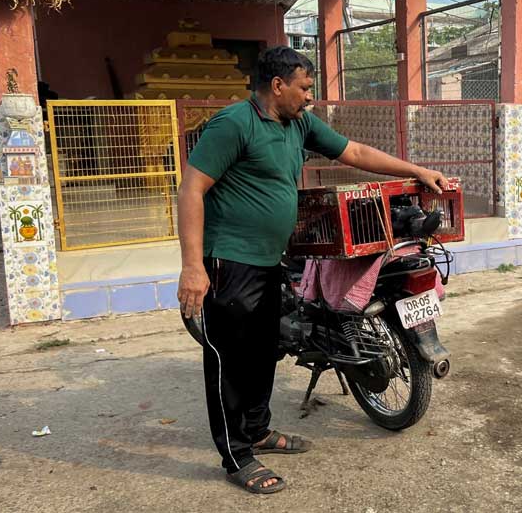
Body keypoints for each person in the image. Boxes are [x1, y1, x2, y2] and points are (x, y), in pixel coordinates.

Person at [177, 46, 448, 494]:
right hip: (230, 258)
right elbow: (191, 191)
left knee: (265, 349)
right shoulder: (234, 124)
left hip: (270, 259)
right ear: (277, 85)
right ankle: (237, 455)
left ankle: (259, 429)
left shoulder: (298, 123)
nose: (310, 97)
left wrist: (417, 170)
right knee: (231, 358)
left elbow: (354, 151)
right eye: (304, 88)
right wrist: (192, 266)